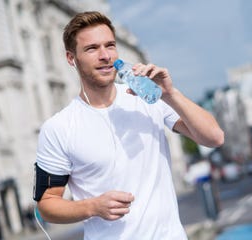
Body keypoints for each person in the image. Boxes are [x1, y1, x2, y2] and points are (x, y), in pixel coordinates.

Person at [34, 11, 224, 240]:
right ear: (71, 58)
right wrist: (93, 207)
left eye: (110, 45)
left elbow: (214, 138)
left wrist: (171, 94)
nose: (105, 55)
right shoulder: (58, 128)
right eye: (92, 48)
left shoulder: (148, 96)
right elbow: (46, 204)